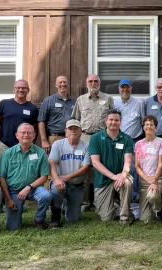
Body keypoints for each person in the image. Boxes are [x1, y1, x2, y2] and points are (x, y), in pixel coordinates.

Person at [71, 74, 114, 211]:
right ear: (86, 83)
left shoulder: (108, 99)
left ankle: (100, 202)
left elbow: (113, 118)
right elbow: (75, 120)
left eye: (96, 81)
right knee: (84, 168)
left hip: (102, 137)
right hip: (85, 137)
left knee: (101, 169)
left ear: (99, 83)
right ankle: (85, 203)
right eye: (90, 81)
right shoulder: (81, 100)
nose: (93, 83)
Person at [0, 123, 52, 230]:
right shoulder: (7, 154)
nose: (26, 135)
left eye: (29, 133)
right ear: (17, 135)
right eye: (23, 132)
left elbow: (44, 176)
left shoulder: (40, 152)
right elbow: (2, 178)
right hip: (14, 191)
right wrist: (8, 199)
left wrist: (29, 187)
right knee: (12, 228)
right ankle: (15, 217)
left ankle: (39, 220)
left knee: (46, 196)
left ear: (34, 135)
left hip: (34, 188)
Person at [88, 109, 134, 225]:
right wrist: (113, 176)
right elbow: (95, 162)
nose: (113, 122)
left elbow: (127, 162)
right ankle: (116, 205)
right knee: (106, 218)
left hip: (120, 177)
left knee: (127, 182)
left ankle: (125, 217)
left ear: (120, 121)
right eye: (111, 120)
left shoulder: (127, 139)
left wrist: (123, 175)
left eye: (116, 120)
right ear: (106, 121)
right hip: (103, 179)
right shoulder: (95, 138)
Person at [49, 119, 92, 227]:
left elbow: (86, 167)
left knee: (73, 219)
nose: (73, 131)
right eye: (70, 129)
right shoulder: (57, 144)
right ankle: (55, 217)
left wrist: (68, 177)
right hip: (60, 182)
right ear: (66, 131)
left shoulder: (86, 146)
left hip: (77, 185)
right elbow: (52, 163)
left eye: (76, 129)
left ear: (81, 131)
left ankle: (66, 206)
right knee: (55, 190)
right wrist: (56, 179)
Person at [134, 115, 162, 222]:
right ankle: (160, 202)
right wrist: (147, 178)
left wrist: (154, 180)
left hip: (158, 178)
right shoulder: (138, 144)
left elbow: (160, 164)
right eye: (146, 124)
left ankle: (160, 210)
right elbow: (137, 166)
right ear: (143, 127)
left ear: (155, 128)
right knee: (145, 219)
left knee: (152, 195)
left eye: (151, 125)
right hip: (144, 181)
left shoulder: (161, 142)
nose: (148, 127)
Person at [114, 79, 146, 201]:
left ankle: (134, 196)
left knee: (133, 167)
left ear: (131, 89)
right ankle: (120, 195)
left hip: (134, 141)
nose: (125, 90)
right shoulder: (115, 103)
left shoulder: (139, 103)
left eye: (127, 87)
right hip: (119, 141)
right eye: (123, 87)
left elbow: (143, 122)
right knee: (119, 166)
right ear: (119, 89)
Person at [0, 79, 39, 158]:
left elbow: (35, 128)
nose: (21, 90)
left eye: (24, 88)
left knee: (22, 169)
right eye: (18, 88)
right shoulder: (4, 104)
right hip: (4, 145)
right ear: (14, 90)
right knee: (2, 169)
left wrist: (31, 143)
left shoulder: (32, 108)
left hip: (24, 146)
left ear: (28, 90)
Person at [38, 76, 76, 154]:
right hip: (54, 137)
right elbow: (41, 121)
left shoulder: (74, 101)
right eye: (60, 82)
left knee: (69, 163)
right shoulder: (49, 100)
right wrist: (44, 140)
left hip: (71, 137)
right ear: (56, 85)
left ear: (68, 84)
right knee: (54, 163)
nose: (63, 84)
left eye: (64, 82)